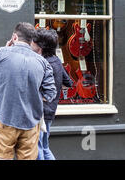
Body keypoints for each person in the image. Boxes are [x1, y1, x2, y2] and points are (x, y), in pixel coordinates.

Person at [0, 22, 57, 160]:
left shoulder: (1, 53)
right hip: (30, 121)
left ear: (14, 37)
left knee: (4, 158)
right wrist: (33, 95)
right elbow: (50, 94)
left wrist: (5, 50)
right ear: (31, 40)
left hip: (4, 117)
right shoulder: (43, 62)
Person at [31, 28, 74, 160]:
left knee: (38, 149)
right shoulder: (56, 61)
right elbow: (69, 83)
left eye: (34, 41)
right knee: (44, 147)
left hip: (40, 113)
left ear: (40, 46)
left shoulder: (42, 63)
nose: (31, 42)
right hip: (50, 111)